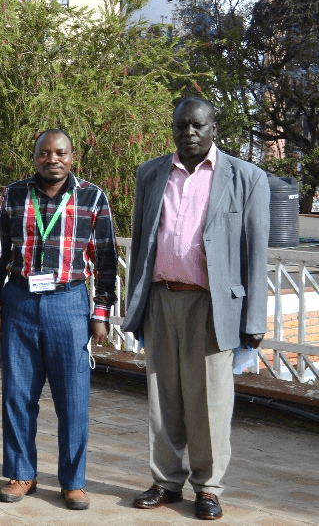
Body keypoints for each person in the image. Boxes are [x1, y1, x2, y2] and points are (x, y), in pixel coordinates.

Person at [125, 98, 268, 521]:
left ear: (213, 128)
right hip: (161, 299)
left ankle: (208, 488)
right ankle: (165, 481)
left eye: (198, 125)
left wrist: (254, 319)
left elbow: (255, 252)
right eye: (181, 125)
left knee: (210, 400)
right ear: (172, 128)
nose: (189, 132)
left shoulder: (247, 177)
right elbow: (141, 243)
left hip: (213, 304)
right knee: (162, 397)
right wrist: (136, 305)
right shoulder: (151, 173)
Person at [0, 129, 118, 511]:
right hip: (20, 300)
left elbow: (106, 260)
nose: (52, 159)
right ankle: (21, 473)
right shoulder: (13, 194)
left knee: (73, 399)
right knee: (17, 395)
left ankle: (73, 481)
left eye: (60, 153)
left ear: (72, 157)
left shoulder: (92, 197)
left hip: (69, 303)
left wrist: (101, 313)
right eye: (44, 153)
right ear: (35, 157)